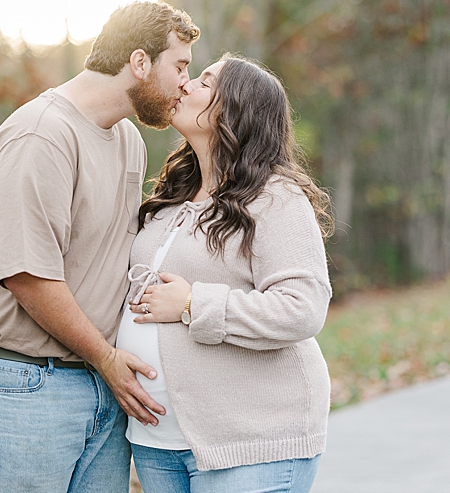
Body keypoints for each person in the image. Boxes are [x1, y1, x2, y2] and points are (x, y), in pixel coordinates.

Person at [0, 1, 200, 493]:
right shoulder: (41, 136)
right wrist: (105, 358)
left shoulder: (128, 139)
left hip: (101, 381)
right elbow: (28, 277)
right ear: (140, 62)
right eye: (181, 66)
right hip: (22, 385)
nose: (185, 84)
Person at [116, 54, 335, 493]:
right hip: (158, 442)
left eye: (204, 81)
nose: (184, 85)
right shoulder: (171, 198)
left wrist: (195, 304)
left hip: (253, 444)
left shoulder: (274, 197)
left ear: (235, 109)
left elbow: (303, 308)